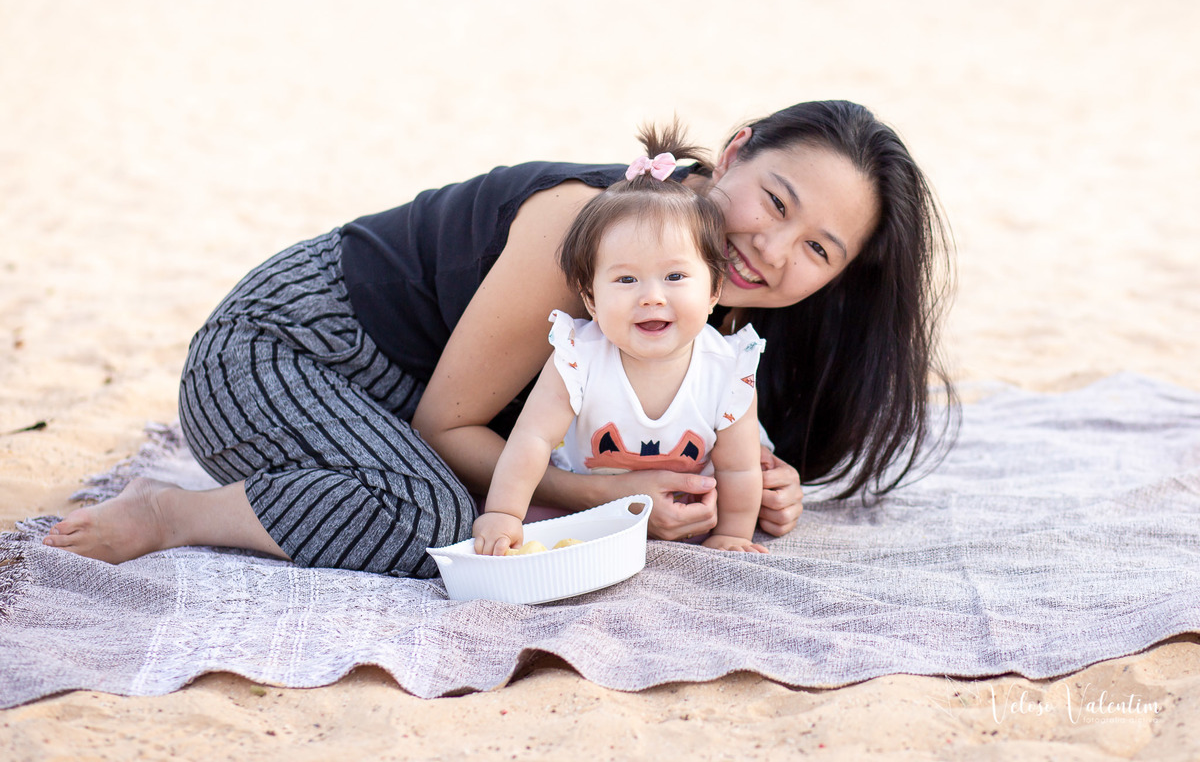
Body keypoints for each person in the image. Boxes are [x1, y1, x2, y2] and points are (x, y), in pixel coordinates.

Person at [43, 100, 956, 579]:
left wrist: (731, 478)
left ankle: (306, 487)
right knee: (439, 525)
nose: (772, 248)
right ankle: (174, 515)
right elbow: (450, 426)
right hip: (282, 350)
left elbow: (625, 417)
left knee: (489, 512)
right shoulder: (596, 229)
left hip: (391, 407)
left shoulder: (710, 296)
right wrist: (600, 499)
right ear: (737, 147)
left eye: (818, 251)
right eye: (776, 203)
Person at [475, 128, 769, 556]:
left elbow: (740, 468)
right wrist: (503, 512)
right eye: (626, 279)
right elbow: (532, 440)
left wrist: (734, 533)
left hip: (682, 514)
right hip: (580, 507)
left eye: (674, 277)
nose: (651, 296)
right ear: (591, 298)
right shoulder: (578, 357)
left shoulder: (728, 368)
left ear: (713, 290)